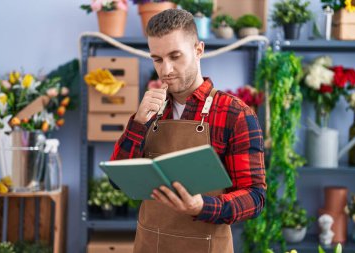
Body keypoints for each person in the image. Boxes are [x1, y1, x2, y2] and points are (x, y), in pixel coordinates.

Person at [110, 9, 266, 253]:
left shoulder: (235, 113)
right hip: (149, 244)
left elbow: (255, 197)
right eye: (157, 59)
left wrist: (202, 207)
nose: (166, 70)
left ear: (198, 50)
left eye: (175, 56)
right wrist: (138, 123)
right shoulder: (149, 111)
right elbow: (118, 181)